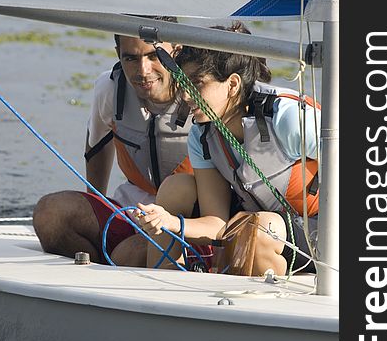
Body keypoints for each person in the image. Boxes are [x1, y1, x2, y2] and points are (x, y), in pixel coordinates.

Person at [134, 21, 321, 276]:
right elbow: (217, 224)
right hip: (258, 221)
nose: (187, 96)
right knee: (175, 189)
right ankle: (160, 290)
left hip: (321, 233)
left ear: (232, 85)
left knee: (258, 227)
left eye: (197, 83)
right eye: (183, 83)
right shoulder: (202, 135)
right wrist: (169, 222)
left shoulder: (288, 119)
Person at [32, 17, 193, 265]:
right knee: (49, 214)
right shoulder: (109, 89)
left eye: (153, 56)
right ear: (118, 53)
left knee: (129, 254)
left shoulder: (205, 94)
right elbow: (97, 146)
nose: (143, 71)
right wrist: (93, 210)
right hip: (133, 212)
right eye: (131, 58)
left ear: (177, 50)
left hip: (186, 225)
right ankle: (90, 279)